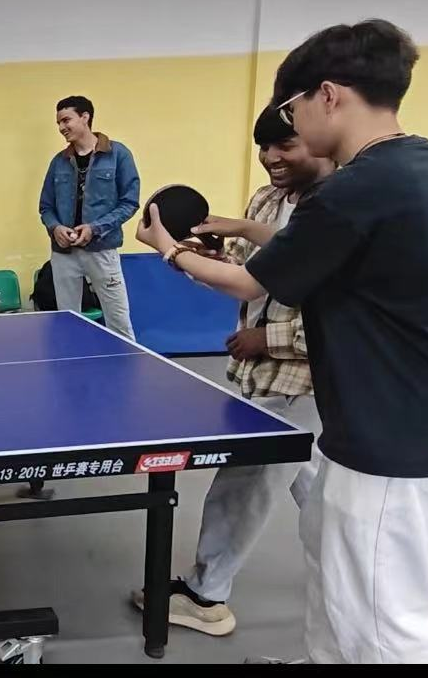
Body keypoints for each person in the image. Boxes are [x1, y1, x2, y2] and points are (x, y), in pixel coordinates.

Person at [135, 19, 428, 663]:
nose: (289, 124)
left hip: (396, 440)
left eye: (291, 107)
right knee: (340, 590)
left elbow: (246, 284)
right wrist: (241, 231)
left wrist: (168, 249)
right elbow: (319, 251)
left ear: (327, 95)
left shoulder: (357, 186)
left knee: (387, 627)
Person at [130, 105, 334, 636]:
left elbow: (345, 315)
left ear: (318, 136)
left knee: (243, 485)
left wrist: (267, 336)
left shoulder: (338, 211)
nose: (271, 159)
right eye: (263, 147)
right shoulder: (267, 200)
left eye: (284, 146)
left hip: (298, 379)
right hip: (254, 376)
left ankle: (206, 596)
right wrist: (200, 255)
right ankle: (351, 566)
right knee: (308, 481)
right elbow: (243, 276)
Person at [38, 95, 139, 339]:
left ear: (85, 117)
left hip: (103, 251)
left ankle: (125, 371)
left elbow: (129, 202)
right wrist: (56, 228)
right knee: (68, 323)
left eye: (66, 120)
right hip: (64, 255)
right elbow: (45, 207)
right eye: (59, 123)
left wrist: (95, 228)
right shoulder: (58, 162)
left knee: (118, 321)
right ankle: (73, 373)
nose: (62, 128)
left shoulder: (118, 155)